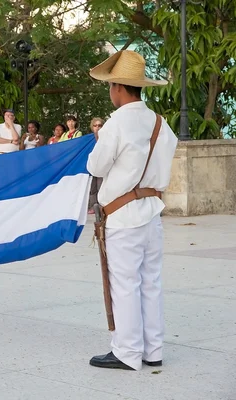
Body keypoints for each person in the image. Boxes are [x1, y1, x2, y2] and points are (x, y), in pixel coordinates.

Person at [86, 50, 178, 371]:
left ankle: (126, 351)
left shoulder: (116, 124)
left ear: (119, 87)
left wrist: (101, 141)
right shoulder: (160, 124)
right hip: (152, 211)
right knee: (151, 282)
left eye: (111, 85)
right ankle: (153, 350)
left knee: (125, 284)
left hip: (123, 217)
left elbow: (96, 166)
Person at [88, 118, 105, 214]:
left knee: (101, 186)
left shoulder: (106, 138)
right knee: (92, 187)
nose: (97, 128)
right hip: (91, 166)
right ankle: (93, 206)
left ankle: (102, 206)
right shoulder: (89, 140)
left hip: (102, 165)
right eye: (95, 125)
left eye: (100, 125)